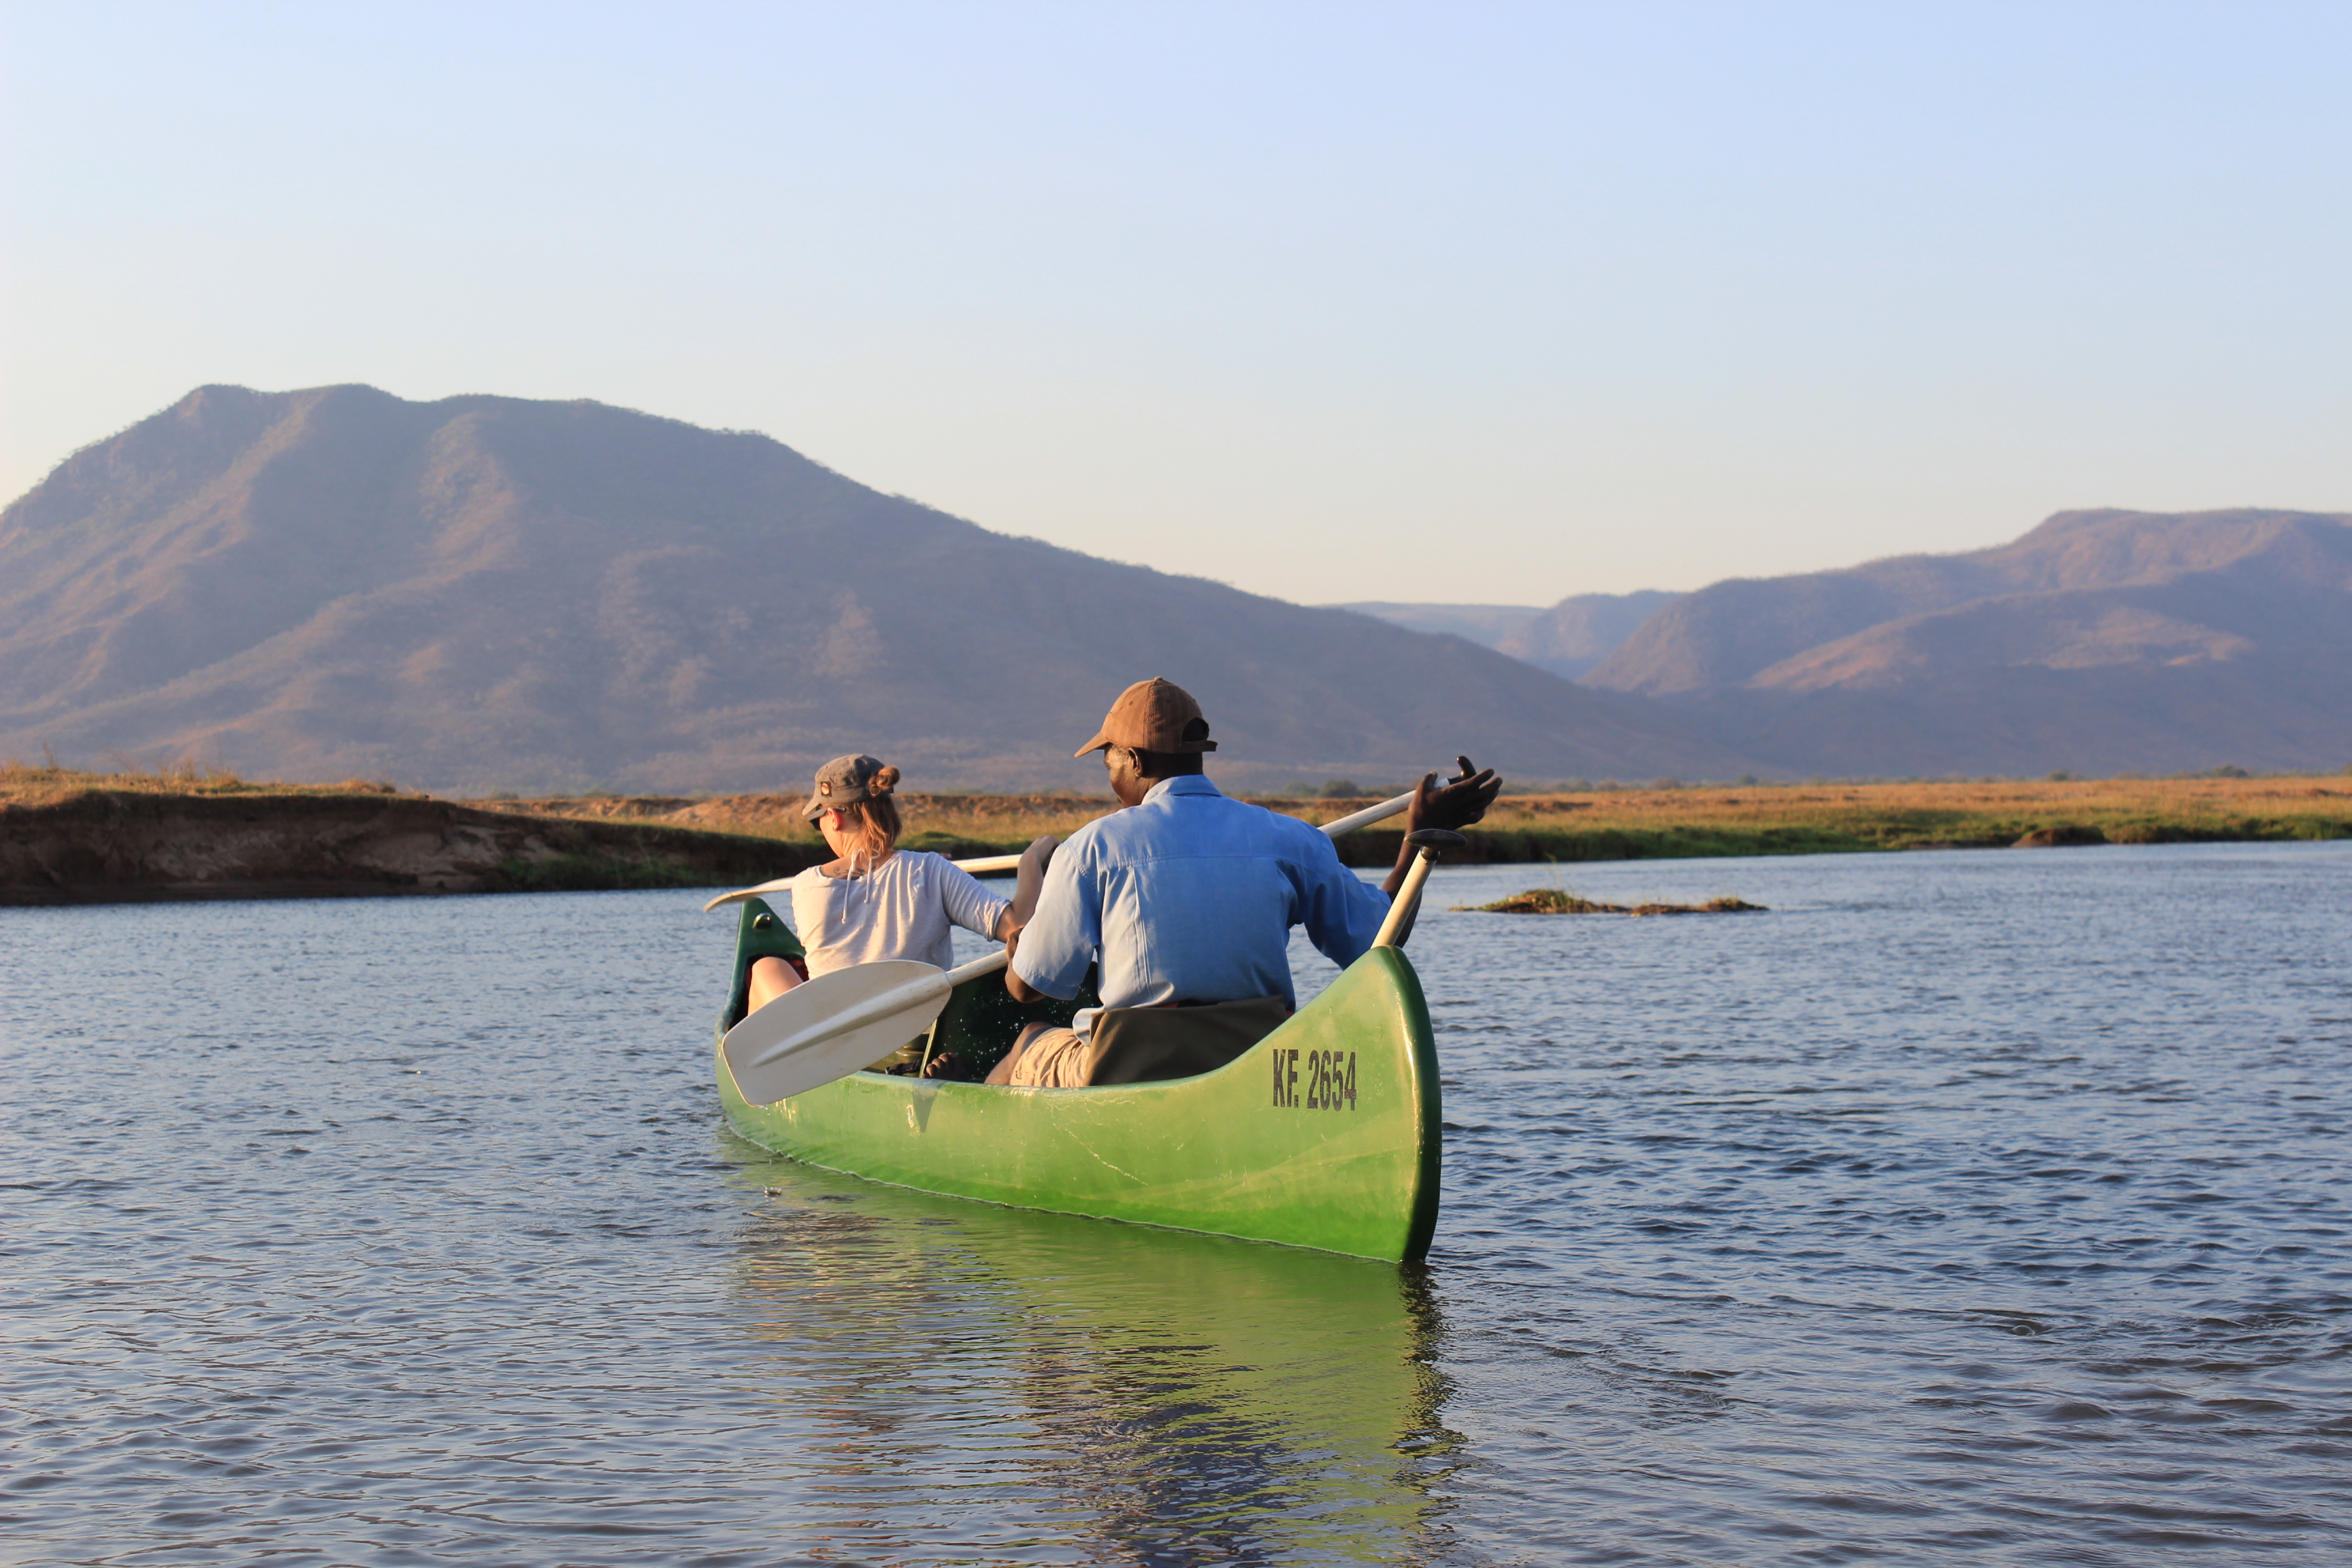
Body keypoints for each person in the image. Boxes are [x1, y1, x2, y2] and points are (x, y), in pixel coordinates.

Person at [991, 677, 1500, 1088]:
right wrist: (1418, 840)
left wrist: (1023, 934)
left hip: (1131, 1070)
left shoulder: (1091, 849)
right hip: (1256, 1070)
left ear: (1137, 762)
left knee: (1029, 1041)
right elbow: (1377, 939)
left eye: (1110, 762)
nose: (1110, 776)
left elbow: (1027, 988)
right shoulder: (1290, 839)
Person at [746, 756, 1018, 1054]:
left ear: (835, 817)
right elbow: (1016, 928)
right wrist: (1033, 862)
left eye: (818, 822)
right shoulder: (932, 870)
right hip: (915, 1039)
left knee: (765, 967)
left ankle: (766, 1064)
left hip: (833, 1044)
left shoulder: (806, 885)